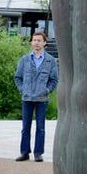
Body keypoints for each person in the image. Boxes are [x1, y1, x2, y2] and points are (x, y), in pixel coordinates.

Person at [13, 30, 58, 162]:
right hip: (27, 98)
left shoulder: (50, 61)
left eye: (39, 40)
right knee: (25, 127)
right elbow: (17, 78)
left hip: (41, 99)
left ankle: (38, 153)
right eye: (34, 40)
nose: (36, 43)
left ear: (44, 43)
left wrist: (47, 90)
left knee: (41, 127)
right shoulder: (24, 60)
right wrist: (23, 90)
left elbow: (54, 79)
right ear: (32, 42)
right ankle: (24, 152)